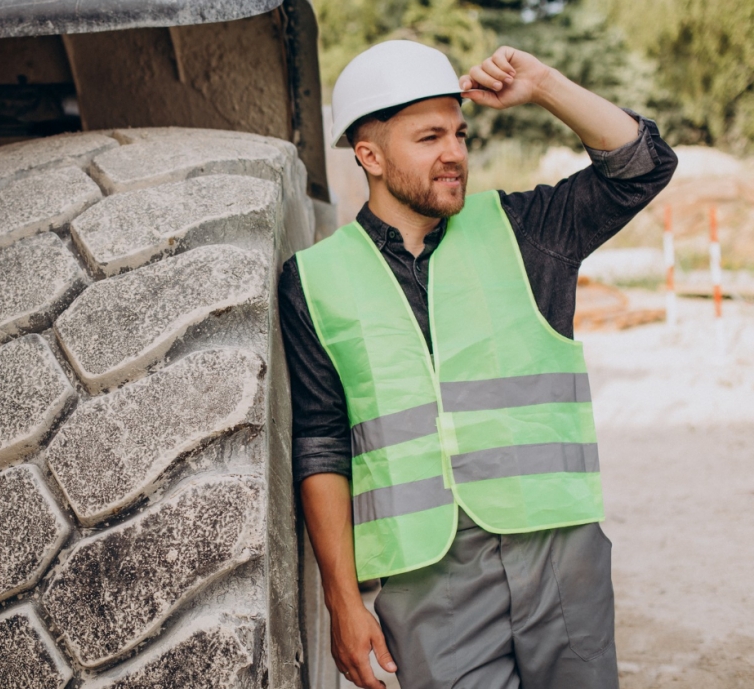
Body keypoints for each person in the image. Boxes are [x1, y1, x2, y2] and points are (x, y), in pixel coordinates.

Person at [280, 41, 676, 689]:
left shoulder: (526, 232)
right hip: (429, 582)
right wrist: (343, 599)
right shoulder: (315, 280)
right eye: (429, 136)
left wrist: (545, 84)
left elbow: (644, 165)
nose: (454, 153)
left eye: (460, 134)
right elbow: (321, 445)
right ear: (369, 155)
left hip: (559, 556)